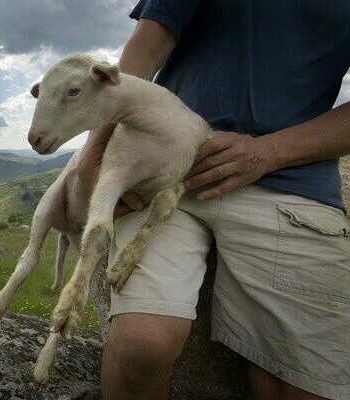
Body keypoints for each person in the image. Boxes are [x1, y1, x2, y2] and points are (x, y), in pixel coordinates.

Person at [77, 1, 350, 399]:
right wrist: (95, 151)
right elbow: (147, 45)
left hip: (291, 183)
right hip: (167, 170)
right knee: (141, 345)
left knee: (303, 387)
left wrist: (268, 152)